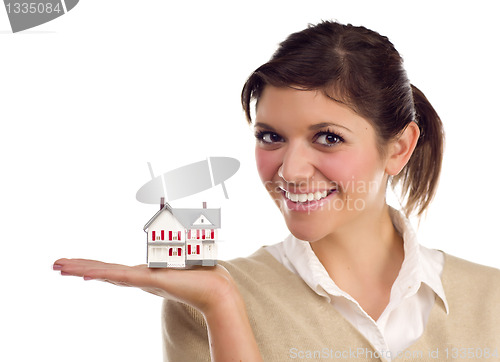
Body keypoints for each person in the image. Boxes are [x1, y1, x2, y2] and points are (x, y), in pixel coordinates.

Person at [53, 21, 500, 361]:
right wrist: (223, 307)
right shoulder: (201, 299)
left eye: (328, 137)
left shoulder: (490, 300)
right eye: (270, 137)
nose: (289, 170)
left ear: (398, 148)